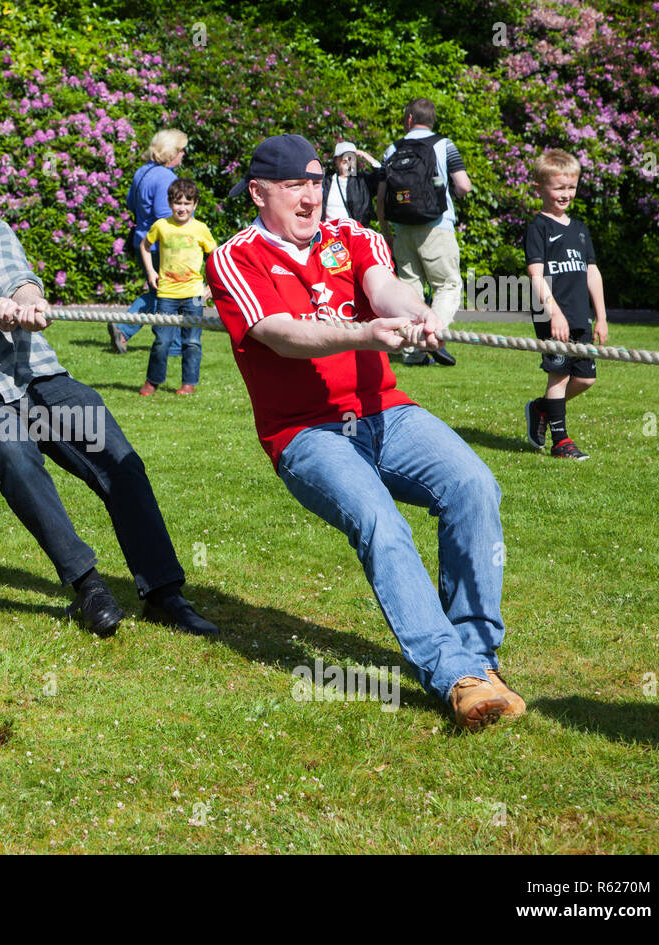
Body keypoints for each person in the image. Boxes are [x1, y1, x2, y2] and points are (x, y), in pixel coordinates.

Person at [208, 134, 523, 731]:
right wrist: (363, 334)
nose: (309, 197)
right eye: (294, 185)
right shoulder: (236, 257)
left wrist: (413, 311)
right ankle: (453, 675)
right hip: (306, 434)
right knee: (380, 522)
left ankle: (479, 660)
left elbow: (384, 286)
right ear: (258, 192)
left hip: (386, 412)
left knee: (474, 485)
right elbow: (278, 333)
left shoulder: (351, 234)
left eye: (314, 182)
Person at [0, 159, 217, 638]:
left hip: (37, 375)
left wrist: (29, 302)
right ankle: (89, 587)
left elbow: (21, 279)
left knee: (119, 461)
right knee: (15, 454)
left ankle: (164, 593)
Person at [523, 149, 608, 460]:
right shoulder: (539, 228)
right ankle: (561, 442)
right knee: (558, 377)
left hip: (579, 316)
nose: (566, 194)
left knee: (585, 377)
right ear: (539, 188)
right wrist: (553, 313)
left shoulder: (580, 229)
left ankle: (541, 408)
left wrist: (601, 316)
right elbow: (536, 274)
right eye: (558, 187)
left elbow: (592, 272)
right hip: (553, 316)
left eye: (571, 187)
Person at [376, 98, 471, 366]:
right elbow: (463, 185)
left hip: (402, 228)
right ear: (432, 120)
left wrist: (385, 231)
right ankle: (433, 335)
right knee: (448, 285)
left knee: (410, 289)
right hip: (436, 226)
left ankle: (412, 353)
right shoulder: (444, 145)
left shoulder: (392, 149)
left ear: (408, 119)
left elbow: (381, 198)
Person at [108, 128, 188, 355]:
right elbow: (166, 217)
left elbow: (130, 203)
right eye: (181, 150)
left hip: (141, 240)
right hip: (160, 245)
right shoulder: (167, 178)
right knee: (168, 294)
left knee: (160, 293)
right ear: (171, 152)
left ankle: (170, 345)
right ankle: (126, 329)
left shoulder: (143, 172)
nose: (183, 155)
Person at [138, 178, 215, 396]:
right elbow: (145, 246)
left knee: (192, 342)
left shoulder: (201, 229)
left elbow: (216, 257)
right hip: (167, 294)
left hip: (194, 295)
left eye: (187, 203)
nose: (182, 208)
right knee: (162, 340)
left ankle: (188, 383)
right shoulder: (161, 226)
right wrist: (151, 272)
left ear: (195, 204)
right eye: (177, 203)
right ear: (170, 204)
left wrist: (211, 287)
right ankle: (153, 381)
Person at [321, 142, 382, 227]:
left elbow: (382, 175)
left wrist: (365, 155)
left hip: (354, 234)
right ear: (336, 160)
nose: (347, 160)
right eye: (343, 157)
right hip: (330, 234)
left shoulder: (363, 181)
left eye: (351, 157)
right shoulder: (326, 182)